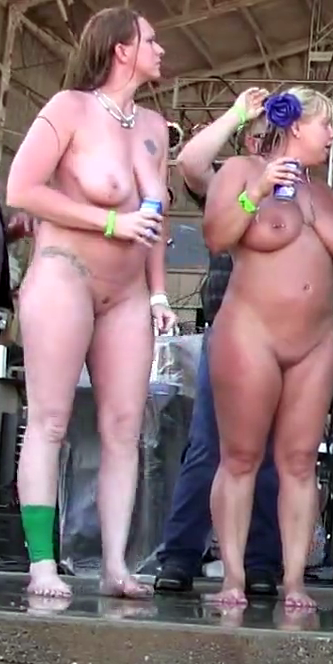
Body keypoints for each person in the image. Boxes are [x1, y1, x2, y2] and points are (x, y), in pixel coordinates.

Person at [155, 89, 333, 596]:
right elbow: (217, 235)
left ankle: (292, 580)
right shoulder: (240, 170)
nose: (332, 135)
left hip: (313, 343)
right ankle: (232, 577)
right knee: (236, 457)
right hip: (249, 333)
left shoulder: (326, 195)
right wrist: (256, 191)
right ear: (296, 126)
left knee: (299, 463)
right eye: (326, 124)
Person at [5, 7, 176, 599]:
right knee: (50, 420)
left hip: (127, 292)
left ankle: (115, 566)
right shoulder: (69, 108)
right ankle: (42, 564)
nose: (160, 49)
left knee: (124, 427)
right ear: (122, 48)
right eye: (150, 40)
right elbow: (22, 189)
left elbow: (158, 218)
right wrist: (109, 222)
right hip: (65, 273)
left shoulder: (153, 125)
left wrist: (159, 291)